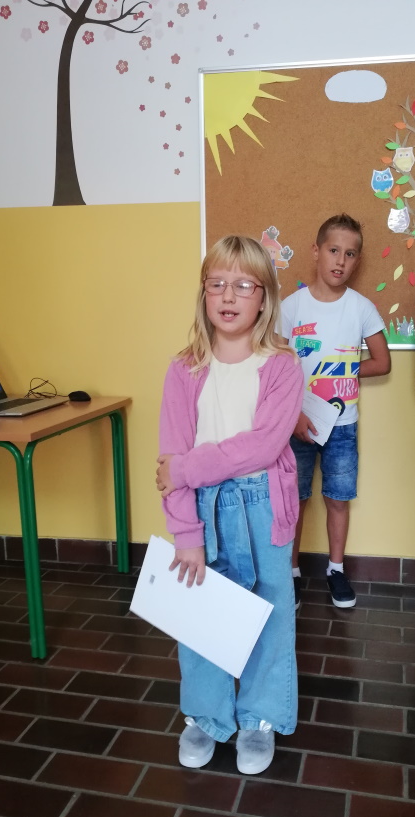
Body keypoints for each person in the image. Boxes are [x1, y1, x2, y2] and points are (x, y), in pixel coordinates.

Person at [156, 235, 303, 776]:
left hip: (264, 503)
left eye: (243, 284)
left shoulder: (282, 365)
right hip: (204, 509)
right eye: (216, 283)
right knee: (201, 613)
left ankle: (259, 717)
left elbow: (262, 447)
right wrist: (186, 535)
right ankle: (205, 714)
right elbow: (170, 449)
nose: (228, 295)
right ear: (203, 293)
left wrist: (185, 469)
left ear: (264, 298)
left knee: (269, 613)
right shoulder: (183, 369)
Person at [280, 213, 391, 609]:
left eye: (350, 254)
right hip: (298, 423)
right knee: (295, 500)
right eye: (333, 250)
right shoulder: (291, 307)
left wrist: (343, 368)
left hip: (342, 425)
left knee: (338, 499)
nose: (340, 261)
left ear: (357, 259)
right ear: (316, 251)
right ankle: (291, 572)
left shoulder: (361, 308)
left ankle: (336, 569)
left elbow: (382, 362)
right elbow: (275, 369)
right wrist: (292, 416)